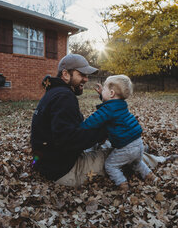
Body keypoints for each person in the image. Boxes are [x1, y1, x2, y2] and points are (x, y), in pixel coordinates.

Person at [30, 54, 109, 187]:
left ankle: (140, 149)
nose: (86, 79)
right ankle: (154, 160)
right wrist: (103, 132)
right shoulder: (64, 97)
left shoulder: (54, 92)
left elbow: (67, 132)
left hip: (47, 164)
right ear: (66, 74)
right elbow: (68, 140)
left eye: (87, 75)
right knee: (119, 154)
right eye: (81, 74)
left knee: (103, 145)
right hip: (64, 170)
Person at [80, 75, 158, 191]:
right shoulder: (121, 104)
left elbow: (94, 119)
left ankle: (122, 184)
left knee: (110, 166)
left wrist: (81, 127)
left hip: (126, 147)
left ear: (111, 93)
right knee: (137, 163)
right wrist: (102, 95)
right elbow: (110, 104)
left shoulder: (108, 110)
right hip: (138, 143)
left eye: (105, 89)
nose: (103, 91)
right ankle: (151, 177)